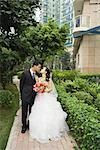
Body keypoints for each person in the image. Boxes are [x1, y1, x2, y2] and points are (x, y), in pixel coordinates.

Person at [29, 67, 69, 143]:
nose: (42, 69)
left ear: (46, 71)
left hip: (47, 97)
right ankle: (40, 131)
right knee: (39, 114)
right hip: (39, 98)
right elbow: (36, 87)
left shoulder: (49, 80)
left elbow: (51, 89)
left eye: (43, 68)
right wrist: (38, 89)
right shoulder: (39, 78)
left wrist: (44, 90)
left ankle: (51, 132)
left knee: (48, 114)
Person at [20, 60, 42, 133]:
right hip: (25, 96)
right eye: (39, 67)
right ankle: (23, 126)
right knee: (24, 111)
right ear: (34, 66)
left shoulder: (37, 75)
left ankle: (30, 125)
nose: (39, 69)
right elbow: (21, 85)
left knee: (31, 111)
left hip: (33, 96)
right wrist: (22, 95)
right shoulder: (25, 73)